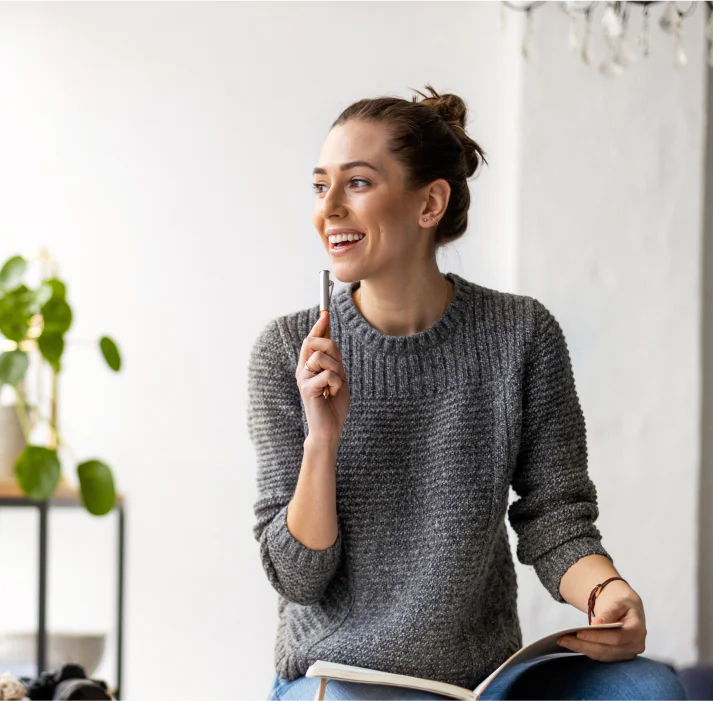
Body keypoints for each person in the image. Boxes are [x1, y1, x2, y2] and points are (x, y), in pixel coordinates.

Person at [246, 86, 687, 701]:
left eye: (358, 184)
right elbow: (298, 578)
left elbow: (555, 519)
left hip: (482, 681)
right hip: (343, 677)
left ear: (430, 203)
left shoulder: (522, 334)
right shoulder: (286, 349)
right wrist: (323, 437)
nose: (330, 209)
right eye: (321, 187)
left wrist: (607, 594)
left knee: (648, 690)